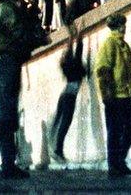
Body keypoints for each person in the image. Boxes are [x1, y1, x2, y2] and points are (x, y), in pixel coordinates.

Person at [0, 0, 47, 179]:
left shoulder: (1, 10)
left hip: (0, 63)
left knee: (7, 112)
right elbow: (20, 34)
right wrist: (38, 37)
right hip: (7, 62)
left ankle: (7, 165)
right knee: (8, 114)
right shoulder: (9, 9)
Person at [95, 13, 131, 177]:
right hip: (114, 96)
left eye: (124, 24)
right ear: (116, 27)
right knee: (114, 132)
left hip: (126, 95)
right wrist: (107, 95)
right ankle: (114, 165)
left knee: (130, 129)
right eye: (121, 25)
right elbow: (102, 69)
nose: (124, 27)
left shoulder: (124, 45)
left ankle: (119, 160)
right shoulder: (110, 44)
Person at [50, 26, 87, 164]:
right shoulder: (74, 65)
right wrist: (78, 38)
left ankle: (57, 149)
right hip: (69, 96)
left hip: (65, 95)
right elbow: (77, 52)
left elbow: (74, 52)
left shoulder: (67, 66)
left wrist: (73, 38)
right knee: (65, 123)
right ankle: (58, 150)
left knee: (61, 122)